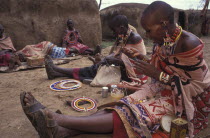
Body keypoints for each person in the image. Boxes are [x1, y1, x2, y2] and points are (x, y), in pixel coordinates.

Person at [20, 3, 210, 137]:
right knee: (125, 104)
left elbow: (194, 85)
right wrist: (141, 60)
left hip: (189, 100)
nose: (146, 34)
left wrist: (157, 75)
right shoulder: (164, 39)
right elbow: (162, 66)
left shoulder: (188, 43)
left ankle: (59, 120)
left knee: (137, 112)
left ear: (164, 24)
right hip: (163, 88)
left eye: (149, 30)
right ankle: (63, 130)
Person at [45, 15, 147, 88]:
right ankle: (56, 73)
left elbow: (135, 63)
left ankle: (56, 70)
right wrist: (108, 58)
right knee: (97, 68)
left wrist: (112, 60)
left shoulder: (134, 38)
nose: (113, 33)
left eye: (114, 30)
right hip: (126, 70)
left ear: (121, 27)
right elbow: (118, 52)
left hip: (134, 76)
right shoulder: (125, 35)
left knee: (94, 70)